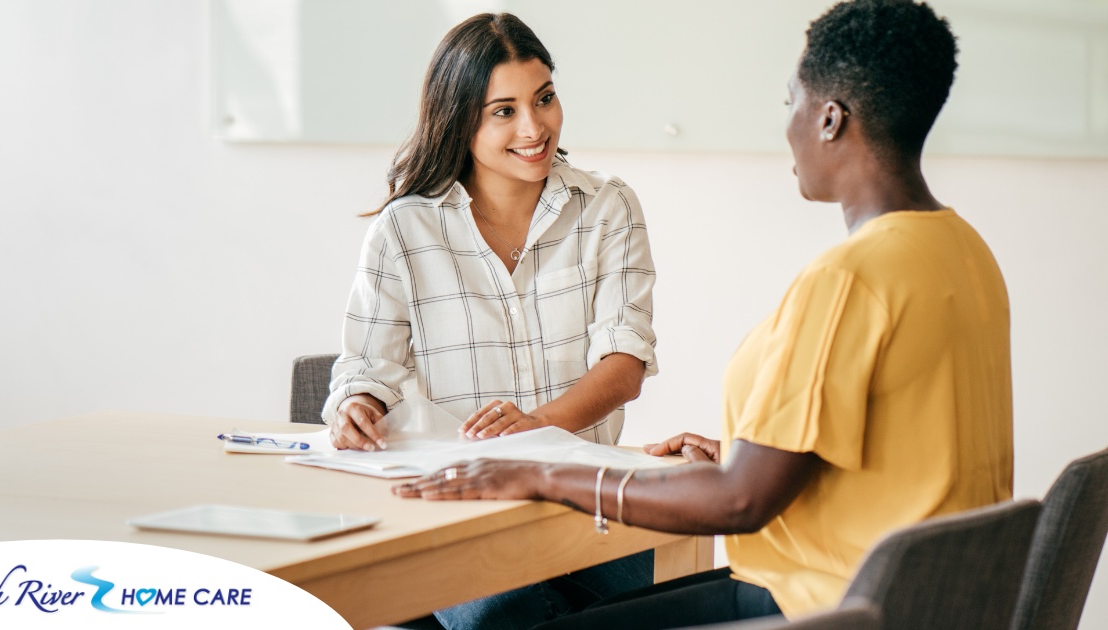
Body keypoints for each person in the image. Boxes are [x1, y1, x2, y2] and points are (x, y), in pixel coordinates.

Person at [394, 1, 1014, 628]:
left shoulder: (848, 280)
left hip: (821, 605)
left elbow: (740, 504)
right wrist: (744, 456)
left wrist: (543, 475)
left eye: (790, 102)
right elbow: (901, 452)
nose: (788, 125)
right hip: (925, 600)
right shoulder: (963, 251)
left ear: (829, 119)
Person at [322, 13, 659, 630]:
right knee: (505, 616)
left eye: (545, 99)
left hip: (586, 505)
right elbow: (366, 368)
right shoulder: (403, 230)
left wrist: (535, 429)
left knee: (642, 607)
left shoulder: (608, 207)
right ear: (459, 120)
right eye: (503, 111)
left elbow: (624, 366)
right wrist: (358, 404)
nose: (535, 128)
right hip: (459, 511)